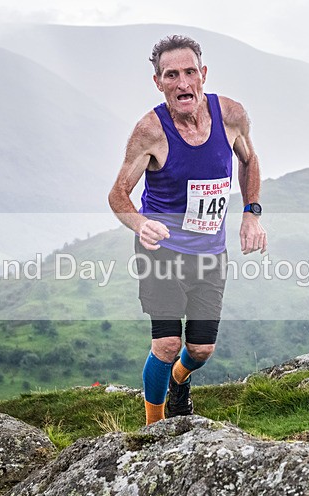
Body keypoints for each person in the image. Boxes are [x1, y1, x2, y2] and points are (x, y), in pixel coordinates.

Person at [108, 35, 267, 425]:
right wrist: (141, 223)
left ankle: (179, 384)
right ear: (158, 82)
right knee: (166, 344)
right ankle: (152, 431)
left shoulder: (231, 115)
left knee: (200, 350)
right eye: (171, 75)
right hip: (162, 250)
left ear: (203, 74)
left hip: (210, 252)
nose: (183, 83)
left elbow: (249, 159)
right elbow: (118, 195)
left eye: (190, 72)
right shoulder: (150, 132)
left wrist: (251, 213)